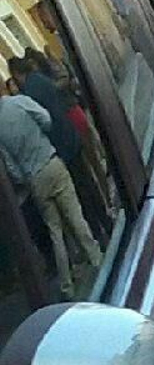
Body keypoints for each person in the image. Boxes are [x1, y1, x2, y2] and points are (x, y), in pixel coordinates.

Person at [0, 87, 101, 297]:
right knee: (75, 215)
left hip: (34, 179)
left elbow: (9, 165)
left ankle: (67, 285)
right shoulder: (19, 102)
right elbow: (45, 118)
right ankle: (96, 259)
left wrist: (25, 178)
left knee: (55, 230)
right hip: (50, 161)